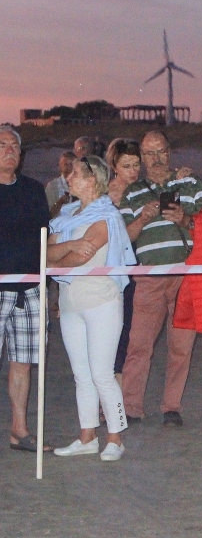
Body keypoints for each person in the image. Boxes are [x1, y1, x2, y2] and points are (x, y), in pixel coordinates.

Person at [118, 130, 202, 427]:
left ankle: (171, 406)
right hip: (148, 278)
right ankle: (131, 407)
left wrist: (186, 220)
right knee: (138, 345)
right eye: (149, 153)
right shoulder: (132, 192)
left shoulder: (190, 183)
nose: (156, 159)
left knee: (181, 345)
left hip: (186, 278)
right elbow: (123, 238)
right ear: (142, 158)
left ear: (170, 152)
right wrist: (143, 219)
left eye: (161, 152)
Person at [48, 156, 136, 461]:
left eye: (76, 174)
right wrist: (68, 247)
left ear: (93, 181)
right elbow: (47, 249)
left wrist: (59, 252)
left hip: (102, 302)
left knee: (102, 373)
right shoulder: (66, 214)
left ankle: (115, 437)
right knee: (81, 374)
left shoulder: (107, 217)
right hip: (71, 303)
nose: (69, 178)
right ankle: (86, 436)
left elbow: (80, 256)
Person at [0, 125, 51, 453]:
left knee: (24, 361)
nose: (9, 151)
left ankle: (19, 431)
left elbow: (45, 239)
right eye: (2, 145)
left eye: (15, 147)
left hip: (30, 289)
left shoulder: (33, 190)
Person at [104, 139, 143, 387]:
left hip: (140, 268)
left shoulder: (142, 192)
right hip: (114, 270)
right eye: (127, 165)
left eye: (137, 165)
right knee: (114, 331)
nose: (133, 171)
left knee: (131, 332)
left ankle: (121, 392)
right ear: (115, 166)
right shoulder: (104, 195)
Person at [45, 151, 75, 217]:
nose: (69, 167)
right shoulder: (53, 186)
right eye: (66, 164)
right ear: (60, 166)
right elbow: (47, 212)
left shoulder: (81, 185)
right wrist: (60, 202)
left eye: (71, 164)